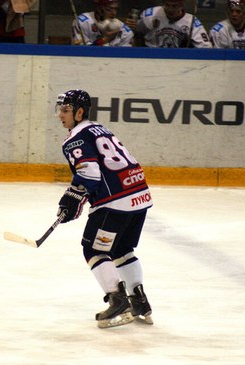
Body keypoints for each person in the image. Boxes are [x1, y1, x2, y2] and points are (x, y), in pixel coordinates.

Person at [54, 89, 153, 328]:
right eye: (59, 110)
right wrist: (76, 198)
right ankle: (139, 301)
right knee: (122, 249)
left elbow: (90, 173)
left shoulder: (75, 139)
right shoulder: (100, 129)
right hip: (139, 194)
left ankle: (117, 300)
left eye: (65, 110)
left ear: (79, 112)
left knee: (93, 249)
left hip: (116, 201)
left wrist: (71, 199)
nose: (60, 115)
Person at [129, 0, 212, 48]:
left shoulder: (192, 22)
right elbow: (136, 35)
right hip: (151, 55)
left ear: (181, 5)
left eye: (174, 6)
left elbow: (206, 48)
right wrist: (131, 27)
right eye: (167, 5)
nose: (170, 9)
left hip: (179, 59)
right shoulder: (150, 15)